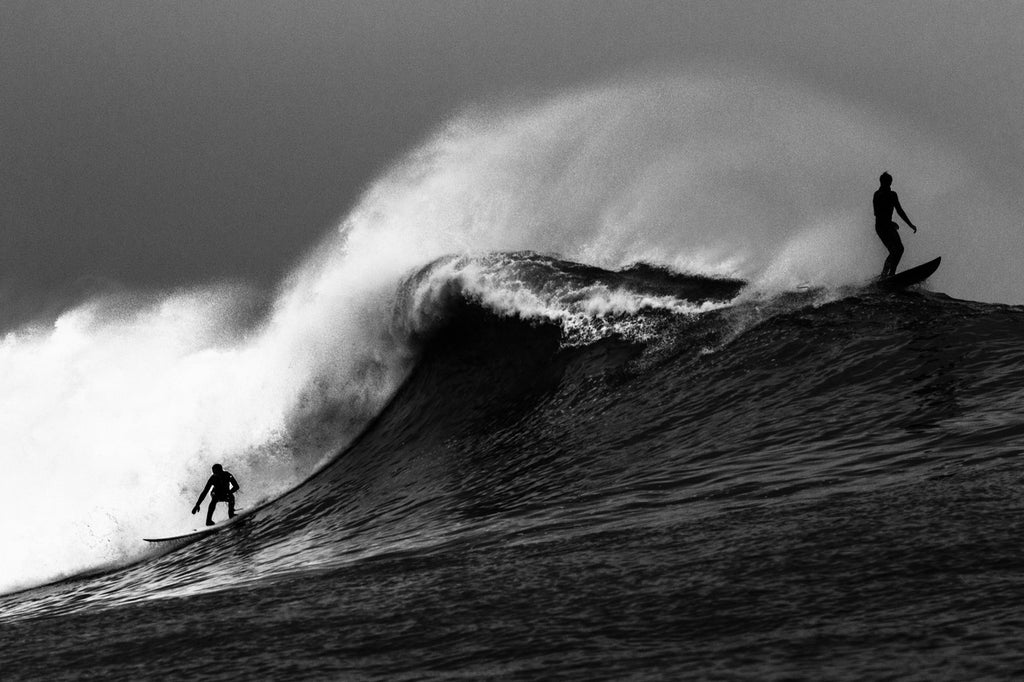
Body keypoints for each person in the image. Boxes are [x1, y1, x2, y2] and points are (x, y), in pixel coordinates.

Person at [873, 171, 918, 278]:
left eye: (889, 183)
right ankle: (888, 274)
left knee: (896, 250)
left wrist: (909, 224)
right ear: (883, 182)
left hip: (883, 226)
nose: (889, 185)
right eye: (887, 183)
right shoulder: (885, 195)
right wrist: (908, 225)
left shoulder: (883, 194)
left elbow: (898, 211)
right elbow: (879, 213)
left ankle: (887, 274)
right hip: (883, 226)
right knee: (897, 250)